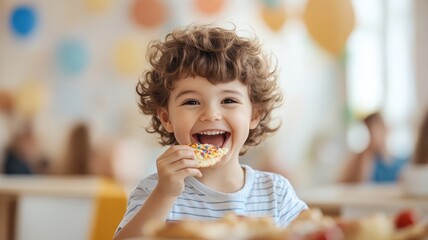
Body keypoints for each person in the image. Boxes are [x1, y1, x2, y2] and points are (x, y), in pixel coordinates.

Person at [113, 24, 308, 239]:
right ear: (167, 118)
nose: (211, 114)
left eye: (229, 100)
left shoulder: (276, 193)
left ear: (254, 115)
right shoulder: (154, 191)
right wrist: (164, 194)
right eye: (192, 101)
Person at [340, 112, 408, 183]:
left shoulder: (401, 164)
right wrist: (366, 154)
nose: (374, 136)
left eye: (377, 130)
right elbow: (349, 186)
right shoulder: (357, 163)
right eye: (370, 131)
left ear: (385, 130)